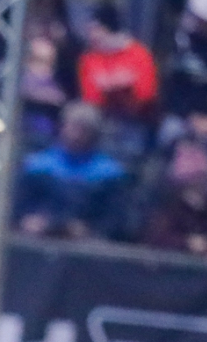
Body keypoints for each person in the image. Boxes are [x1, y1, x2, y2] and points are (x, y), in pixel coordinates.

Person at [16, 101, 129, 241]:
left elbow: (115, 219)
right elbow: (18, 207)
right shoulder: (37, 166)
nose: (76, 135)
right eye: (73, 127)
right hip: (37, 238)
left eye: (83, 129)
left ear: (94, 134)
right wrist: (28, 220)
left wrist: (89, 229)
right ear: (62, 127)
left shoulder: (110, 174)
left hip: (87, 243)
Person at [140, 139, 207, 257]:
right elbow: (157, 240)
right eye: (196, 180)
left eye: (204, 180)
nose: (202, 185)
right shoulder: (169, 209)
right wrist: (187, 243)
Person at [78, 2, 159, 124]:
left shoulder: (138, 53)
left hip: (137, 118)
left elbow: (147, 93)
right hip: (101, 119)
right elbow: (90, 97)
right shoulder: (89, 59)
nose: (91, 35)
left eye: (95, 29)